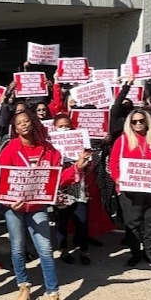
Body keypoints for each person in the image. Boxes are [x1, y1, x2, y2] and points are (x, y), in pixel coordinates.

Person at [0, 110, 74, 300]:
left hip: (38, 207)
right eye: (19, 123)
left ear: (34, 124)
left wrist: (77, 169)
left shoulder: (48, 149)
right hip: (14, 208)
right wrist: (9, 202)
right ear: (15, 128)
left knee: (46, 250)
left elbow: (57, 177)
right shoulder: (11, 148)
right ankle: (23, 285)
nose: (23, 125)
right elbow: (2, 180)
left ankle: (53, 295)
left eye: (26, 121)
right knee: (17, 248)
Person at [109, 108, 151, 268]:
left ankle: (149, 252)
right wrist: (117, 177)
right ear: (129, 124)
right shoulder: (123, 140)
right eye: (134, 121)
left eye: (141, 120)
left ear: (147, 121)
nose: (138, 124)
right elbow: (114, 163)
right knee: (132, 223)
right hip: (130, 191)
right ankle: (135, 253)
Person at [51, 113, 95, 265]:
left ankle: (83, 250)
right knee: (62, 222)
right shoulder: (50, 149)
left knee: (82, 221)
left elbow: (89, 169)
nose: (64, 129)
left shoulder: (81, 146)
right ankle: (64, 250)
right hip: (60, 191)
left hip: (78, 190)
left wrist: (85, 160)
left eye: (67, 126)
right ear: (54, 128)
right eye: (60, 126)